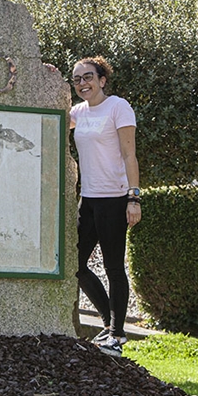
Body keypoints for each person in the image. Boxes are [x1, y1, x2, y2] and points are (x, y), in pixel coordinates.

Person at [68, 56, 141, 357]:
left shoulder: (118, 108)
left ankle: (118, 335)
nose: (82, 83)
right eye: (76, 79)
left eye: (88, 77)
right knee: (77, 266)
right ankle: (110, 324)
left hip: (115, 198)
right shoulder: (77, 112)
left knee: (113, 266)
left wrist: (133, 197)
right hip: (90, 199)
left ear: (102, 79)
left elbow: (129, 155)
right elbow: (50, 115)